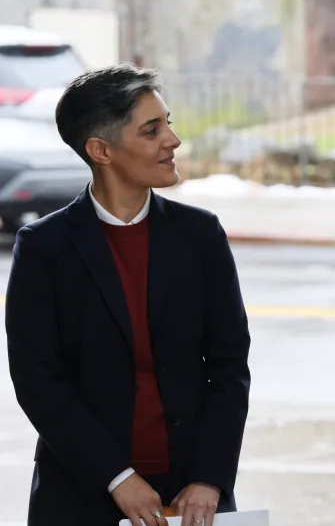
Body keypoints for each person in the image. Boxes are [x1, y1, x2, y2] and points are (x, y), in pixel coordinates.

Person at [5, 64, 252, 526]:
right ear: (101, 150)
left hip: (193, 492)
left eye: (169, 123)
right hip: (82, 491)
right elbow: (39, 382)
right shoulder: (44, 248)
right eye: (152, 129)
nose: (173, 140)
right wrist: (116, 477)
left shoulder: (200, 235)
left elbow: (229, 366)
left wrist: (210, 478)